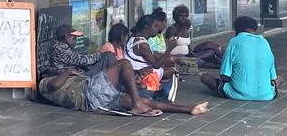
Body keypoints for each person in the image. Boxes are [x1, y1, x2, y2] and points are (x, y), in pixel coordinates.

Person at [39, 60, 209, 116]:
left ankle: (189, 108)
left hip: (97, 100)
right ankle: (137, 103)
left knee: (147, 101)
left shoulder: (64, 79)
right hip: (87, 92)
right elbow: (54, 85)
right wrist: (67, 71)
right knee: (124, 64)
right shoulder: (46, 82)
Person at [201, 16, 282, 101]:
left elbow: (224, 76)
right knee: (280, 79)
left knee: (205, 78)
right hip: (266, 95)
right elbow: (273, 77)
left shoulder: (234, 42)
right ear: (254, 29)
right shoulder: (265, 42)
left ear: (237, 29)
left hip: (237, 94)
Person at [126, 15, 178, 102]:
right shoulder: (142, 43)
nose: (158, 30)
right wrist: (170, 48)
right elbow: (156, 65)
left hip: (139, 70)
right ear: (147, 27)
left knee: (170, 62)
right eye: (155, 26)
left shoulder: (133, 37)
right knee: (173, 71)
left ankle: (157, 89)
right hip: (141, 73)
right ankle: (166, 95)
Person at [44, 25, 115, 78]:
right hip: (76, 77)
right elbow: (82, 60)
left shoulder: (62, 46)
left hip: (79, 72)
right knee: (108, 56)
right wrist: (100, 55)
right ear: (66, 37)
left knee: (107, 57)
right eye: (74, 38)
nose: (76, 41)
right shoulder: (60, 48)